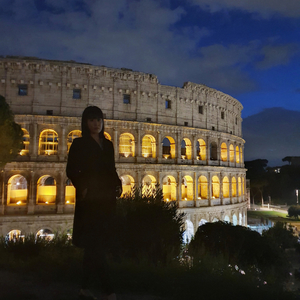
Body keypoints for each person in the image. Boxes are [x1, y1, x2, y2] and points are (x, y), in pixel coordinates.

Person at [66, 106, 122, 300]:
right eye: (92, 120)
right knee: (96, 244)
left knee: (94, 246)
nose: (96, 124)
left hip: (106, 198)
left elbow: (111, 168)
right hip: (90, 199)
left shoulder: (108, 145)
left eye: (98, 120)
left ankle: (84, 288)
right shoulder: (79, 144)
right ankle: (109, 290)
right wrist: (82, 186)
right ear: (85, 122)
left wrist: (118, 183)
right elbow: (71, 170)